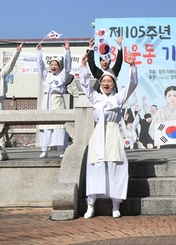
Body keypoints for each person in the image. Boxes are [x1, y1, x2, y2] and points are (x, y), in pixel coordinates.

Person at [79, 50, 138, 219]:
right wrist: (83, 65)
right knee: (96, 167)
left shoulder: (118, 98)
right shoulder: (95, 97)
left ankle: (115, 204)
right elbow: (84, 84)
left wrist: (132, 66)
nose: (106, 83)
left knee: (115, 167)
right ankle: (91, 205)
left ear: (113, 84)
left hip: (114, 135)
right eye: (104, 81)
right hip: (98, 135)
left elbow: (132, 85)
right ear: (100, 82)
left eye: (109, 81)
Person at [35, 40, 71, 158]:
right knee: (46, 125)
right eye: (51, 65)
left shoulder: (62, 75)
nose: (53, 66)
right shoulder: (47, 76)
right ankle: (44, 150)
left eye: (55, 65)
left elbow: (68, 66)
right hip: (47, 101)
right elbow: (40, 66)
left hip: (58, 100)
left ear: (59, 66)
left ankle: (62, 150)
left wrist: (67, 51)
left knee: (59, 126)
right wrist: (39, 52)